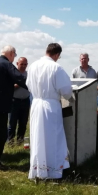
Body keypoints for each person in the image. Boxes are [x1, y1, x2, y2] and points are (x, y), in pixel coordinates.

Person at [27, 43, 73, 180]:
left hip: (36, 104)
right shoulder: (56, 67)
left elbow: (29, 85)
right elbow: (66, 91)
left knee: (38, 138)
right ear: (57, 54)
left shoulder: (33, 66)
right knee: (53, 138)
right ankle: (53, 171)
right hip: (51, 107)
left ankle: (38, 170)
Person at [0, 45, 27, 170]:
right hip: (0, 104)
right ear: (11, 54)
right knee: (0, 133)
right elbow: (20, 78)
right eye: (15, 55)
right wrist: (35, 84)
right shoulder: (6, 64)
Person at [7, 57, 31, 146]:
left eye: (25, 64)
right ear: (17, 64)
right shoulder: (13, 74)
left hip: (25, 101)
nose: (24, 66)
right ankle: (10, 142)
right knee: (12, 123)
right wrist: (19, 84)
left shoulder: (29, 75)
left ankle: (20, 142)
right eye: (22, 64)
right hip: (14, 101)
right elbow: (8, 88)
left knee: (23, 123)